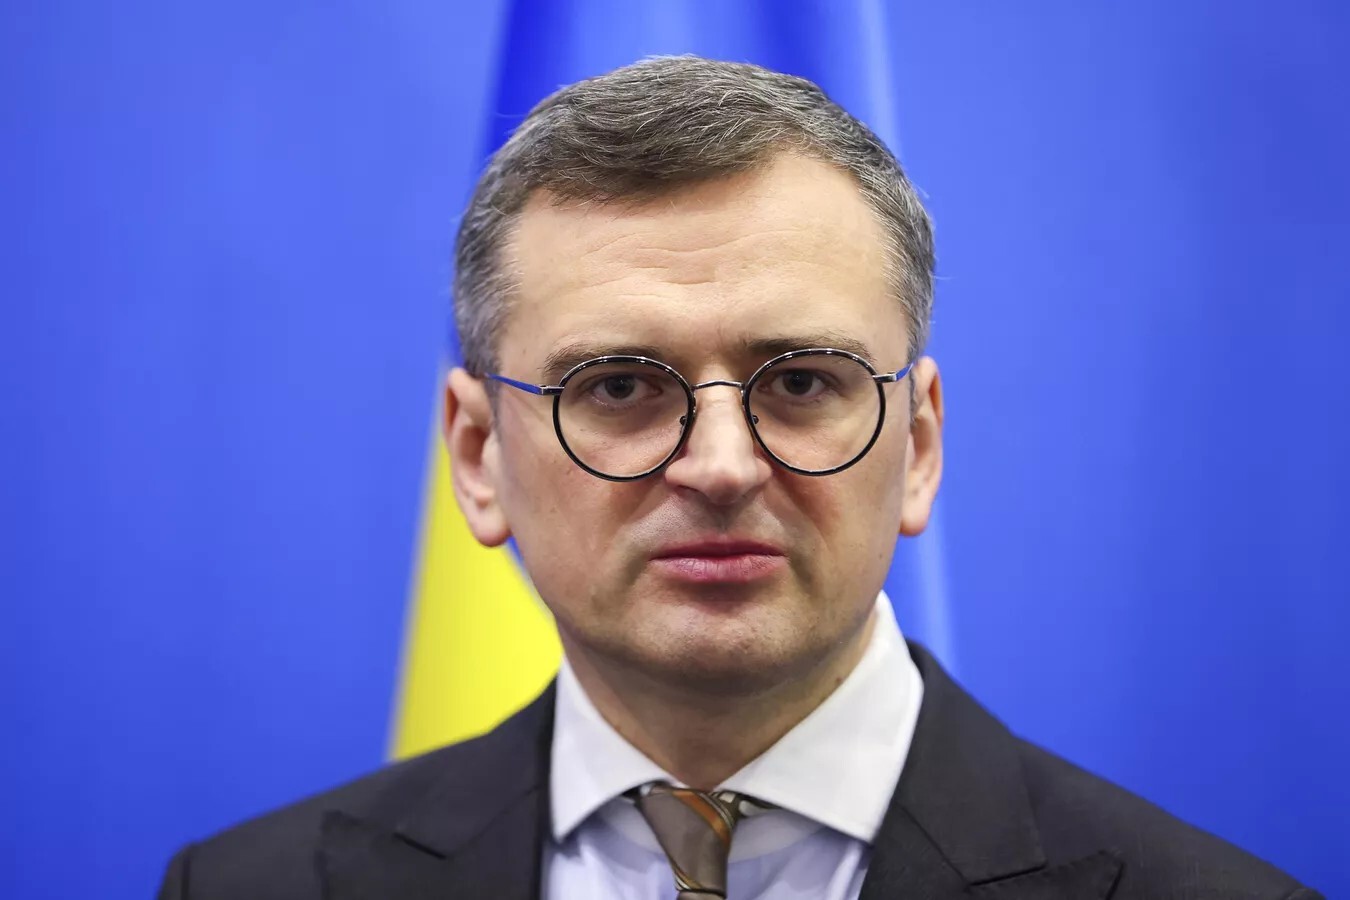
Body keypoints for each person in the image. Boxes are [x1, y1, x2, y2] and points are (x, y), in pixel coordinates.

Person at [158, 56, 1321, 900]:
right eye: (618, 386)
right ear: (478, 457)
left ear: (918, 445)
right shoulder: (248, 888)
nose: (720, 466)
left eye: (802, 382)